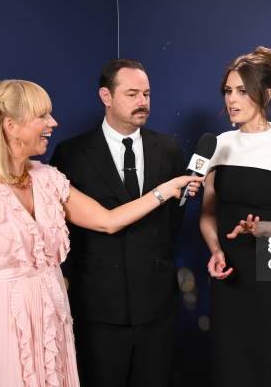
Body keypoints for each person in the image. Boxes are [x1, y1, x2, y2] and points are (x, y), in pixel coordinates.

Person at [0, 79, 201, 387]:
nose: (53, 123)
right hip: (2, 324)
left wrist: (165, 190)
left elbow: (108, 220)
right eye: (42, 116)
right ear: (11, 125)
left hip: (53, 321)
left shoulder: (49, 179)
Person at [49, 59, 188, 387]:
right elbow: (62, 228)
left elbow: (173, 221)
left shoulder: (168, 149)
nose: (143, 102)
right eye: (132, 94)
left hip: (157, 311)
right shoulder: (71, 154)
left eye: (147, 94)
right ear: (106, 96)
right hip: (98, 312)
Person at [199, 47, 271, 387]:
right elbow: (208, 215)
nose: (232, 100)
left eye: (242, 91)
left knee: (267, 369)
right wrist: (215, 250)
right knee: (229, 367)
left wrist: (261, 228)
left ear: (265, 95)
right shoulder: (218, 145)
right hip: (229, 276)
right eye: (227, 91)